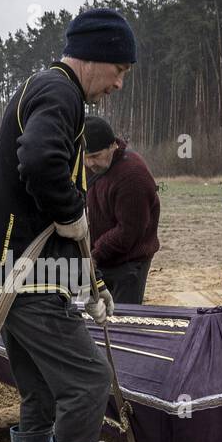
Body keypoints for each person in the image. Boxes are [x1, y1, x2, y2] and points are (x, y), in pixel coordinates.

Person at [0, 7, 137, 442]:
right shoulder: (61, 92)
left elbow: (53, 211)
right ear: (98, 58)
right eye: (119, 70)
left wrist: (94, 283)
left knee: (40, 393)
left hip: (11, 273)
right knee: (89, 385)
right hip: (26, 280)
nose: (118, 83)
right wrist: (71, 211)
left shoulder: (49, 90)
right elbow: (40, 163)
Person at [84, 116, 159, 304]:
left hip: (129, 263)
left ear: (112, 146)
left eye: (95, 156)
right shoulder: (88, 167)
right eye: (85, 157)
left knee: (123, 321)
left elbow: (129, 231)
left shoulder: (132, 175)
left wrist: (95, 254)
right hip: (98, 259)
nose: (90, 163)